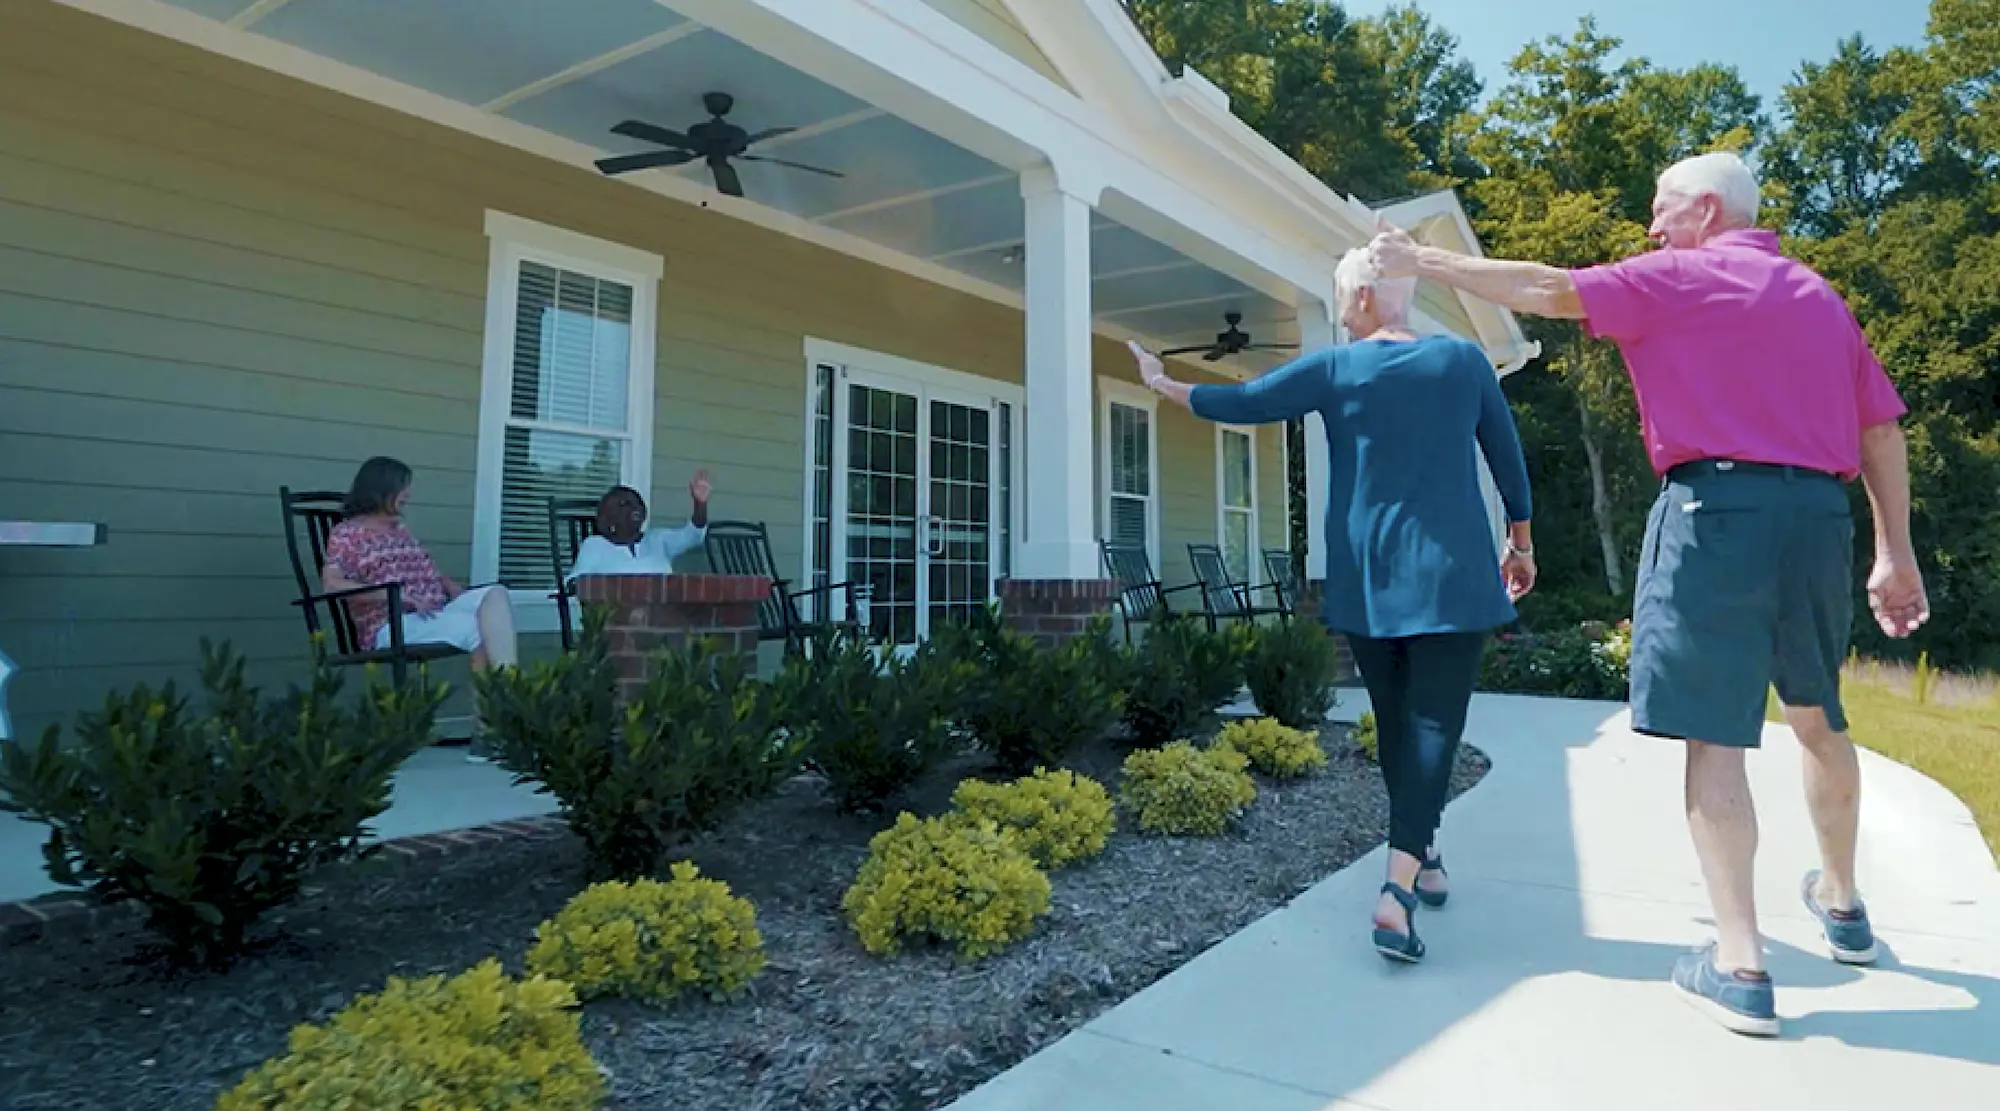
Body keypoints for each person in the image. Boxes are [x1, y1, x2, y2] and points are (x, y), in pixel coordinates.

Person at [1369, 150, 1928, 1036]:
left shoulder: (1682, 277)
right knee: (1820, 714)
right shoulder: (1819, 297)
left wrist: (1424, 261)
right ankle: (1845, 903)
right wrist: (1895, 550)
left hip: (1717, 514)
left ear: (1705, 211)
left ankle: (1740, 963)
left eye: (1662, 210)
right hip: (1819, 517)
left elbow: (1550, 288)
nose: (1652, 229)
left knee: (1713, 734)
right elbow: (1880, 428)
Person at [1127, 246, 1536, 965]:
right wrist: (1520, 540)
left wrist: (1165, 385)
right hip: (1450, 575)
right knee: (1434, 725)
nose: (1340, 306)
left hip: (1367, 574)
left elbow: (1247, 402)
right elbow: (1506, 457)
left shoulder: (1337, 368)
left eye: (1344, 295)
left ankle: (1420, 856)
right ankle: (1399, 888)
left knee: (1401, 725)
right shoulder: (1465, 362)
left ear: (1369, 298)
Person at [322, 456, 519, 761]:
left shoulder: (399, 530)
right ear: (381, 489)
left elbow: (429, 572)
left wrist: (455, 590)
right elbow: (332, 584)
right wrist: (396, 598)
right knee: (479, 632)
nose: (408, 495)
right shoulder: (348, 534)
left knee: (495, 594)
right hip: (392, 624)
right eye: (403, 488)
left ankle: (508, 691)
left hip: (433, 613)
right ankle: (490, 729)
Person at [565, 471, 712, 583]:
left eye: (638, 503)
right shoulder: (595, 545)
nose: (635, 507)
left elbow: (693, 534)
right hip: (617, 617)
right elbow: (576, 582)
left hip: (662, 615)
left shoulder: (658, 540)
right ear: (607, 517)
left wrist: (700, 504)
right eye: (624, 504)